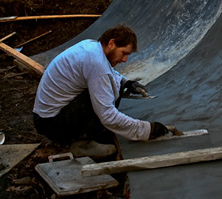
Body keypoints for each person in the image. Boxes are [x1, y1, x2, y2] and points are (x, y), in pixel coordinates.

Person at [33, 24, 170, 158]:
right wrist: (146, 130)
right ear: (111, 43)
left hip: (45, 116)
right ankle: (82, 143)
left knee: (112, 86)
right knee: (107, 91)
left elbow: (108, 72)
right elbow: (107, 115)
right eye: (124, 53)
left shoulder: (92, 47)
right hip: (52, 123)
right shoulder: (96, 64)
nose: (124, 60)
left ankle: (89, 135)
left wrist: (126, 82)